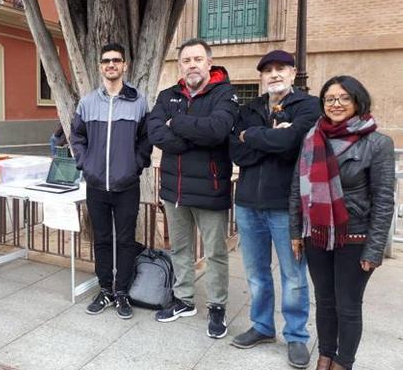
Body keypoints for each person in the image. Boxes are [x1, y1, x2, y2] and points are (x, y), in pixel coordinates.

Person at [289, 75, 395, 370]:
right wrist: (296, 232)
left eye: (344, 98)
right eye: (330, 99)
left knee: (347, 305)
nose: (336, 104)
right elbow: (297, 188)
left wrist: (375, 249)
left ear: (358, 100)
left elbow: (384, 200)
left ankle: (342, 362)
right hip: (317, 235)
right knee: (324, 301)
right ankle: (324, 356)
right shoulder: (312, 137)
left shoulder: (377, 143)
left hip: (355, 236)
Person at [228, 50, 320, 368]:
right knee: (256, 274)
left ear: (293, 74)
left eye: (281, 68)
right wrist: (270, 140)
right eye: (268, 70)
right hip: (248, 204)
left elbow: (292, 144)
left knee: (294, 276)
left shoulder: (308, 105)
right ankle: (263, 327)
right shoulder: (250, 108)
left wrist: (253, 136)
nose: (274, 74)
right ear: (261, 77)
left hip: (286, 206)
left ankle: (296, 337)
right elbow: (236, 152)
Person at [147, 38, 238, 338]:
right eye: (186, 60)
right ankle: (184, 300)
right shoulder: (167, 95)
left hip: (211, 188)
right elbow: (155, 131)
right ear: (180, 65)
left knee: (214, 252)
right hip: (175, 189)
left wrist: (178, 123)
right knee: (180, 249)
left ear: (209, 64)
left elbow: (217, 130)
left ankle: (217, 307)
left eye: (198, 59)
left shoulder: (225, 94)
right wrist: (190, 133)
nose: (192, 65)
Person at [71, 42, 152, 319]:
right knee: (102, 239)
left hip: (126, 185)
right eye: (106, 61)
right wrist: (85, 164)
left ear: (124, 65)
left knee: (126, 240)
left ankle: (122, 293)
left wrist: (135, 165)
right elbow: (77, 138)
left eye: (116, 60)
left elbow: (146, 139)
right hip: (96, 185)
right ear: (100, 66)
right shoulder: (87, 102)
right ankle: (105, 288)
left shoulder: (138, 101)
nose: (111, 65)